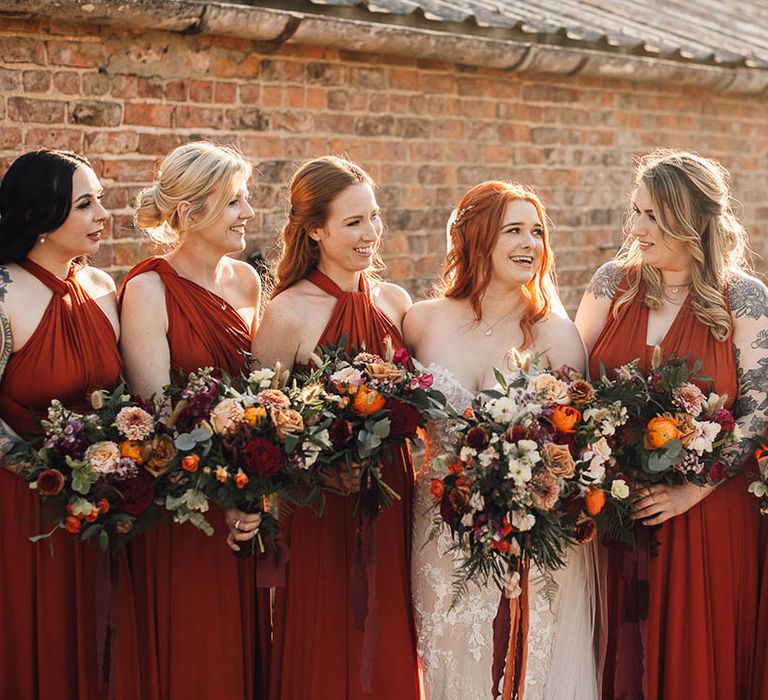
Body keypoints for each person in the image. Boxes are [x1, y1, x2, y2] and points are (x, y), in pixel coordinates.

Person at [575, 149, 766, 700]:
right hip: (618, 508)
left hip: (710, 510)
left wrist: (690, 492)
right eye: (635, 211)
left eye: (652, 216)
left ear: (693, 220)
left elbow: (761, 408)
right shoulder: (613, 285)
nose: (637, 227)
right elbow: (571, 384)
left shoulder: (744, 297)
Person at [405, 180, 600, 699]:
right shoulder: (421, 321)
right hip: (439, 534)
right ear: (476, 239)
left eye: (537, 232)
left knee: (522, 670)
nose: (530, 244)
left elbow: (575, 447)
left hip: (527, 536)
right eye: (514, 230)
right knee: (446, 667)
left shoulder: (557, 335)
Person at [248, 155, 420, 699]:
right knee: (327, 640)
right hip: (322, 505)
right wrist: (318, 474)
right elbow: (263, 426)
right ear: (315, 230)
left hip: (393, 496)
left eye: (374, 217)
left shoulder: (395, 301)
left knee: (391, 632)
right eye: (353, 222)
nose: (371, 233)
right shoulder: (287, 312)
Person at [119, 141, 268, 699]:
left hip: (246, 498)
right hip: (184, 506)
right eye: (234, 202)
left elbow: (264, 396)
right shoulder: (147, 289)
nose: (249, 214)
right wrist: (223, 496)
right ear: (190, 213)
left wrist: (256, 488)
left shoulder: (248, 283)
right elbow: (159, 418)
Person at [0, 149, 141, 698]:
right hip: (22, 509)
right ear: (39, 216)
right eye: (85, 204)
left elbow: (123, 395)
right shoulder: (4, 295)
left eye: (99, 200)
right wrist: (53, 472)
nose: (103, 215)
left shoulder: (103, 288)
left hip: (102, 504)